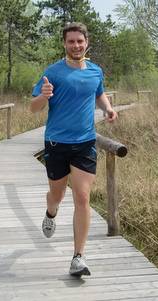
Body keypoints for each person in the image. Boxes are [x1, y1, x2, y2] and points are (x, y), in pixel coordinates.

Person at [30, 22, 117, 277]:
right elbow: (33, 108)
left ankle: (78, 257)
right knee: (56, 195)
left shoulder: (95, 71)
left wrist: (108, 109)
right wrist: (43, 96)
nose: (76, 45)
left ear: (86, 42)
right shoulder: (53, 73)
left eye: (80, 41)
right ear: (64, 44)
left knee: (82, 197)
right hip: (57, 143)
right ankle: (51, 211)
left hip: (85, 143)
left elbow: (98, 94)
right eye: (71, 42)